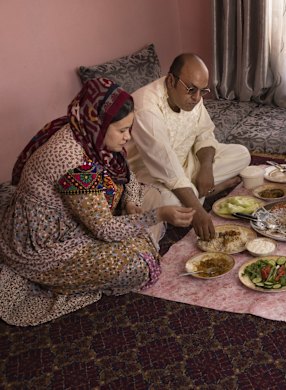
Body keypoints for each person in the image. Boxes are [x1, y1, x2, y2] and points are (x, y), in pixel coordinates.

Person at [0, 78, 195, 326]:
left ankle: (141, 236)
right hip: (46, 244)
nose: (128, 137)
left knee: (152, 195)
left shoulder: (90, 136)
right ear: (99, 124)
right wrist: (157, 216)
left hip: (85, 216)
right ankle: (53, 278)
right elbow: (103, 228)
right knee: (141, 264)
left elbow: (128, 176)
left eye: (130, 128)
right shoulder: (73, 160)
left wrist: (132, 202)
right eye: (123, 130)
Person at [127, 53, 251, 241]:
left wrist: (206, 169)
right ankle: (205, 192)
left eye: (203, 91)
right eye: (191, 89)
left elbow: (204, 133)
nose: (197, 97)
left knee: (241, 154)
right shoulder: (147, 108)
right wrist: (198, 212)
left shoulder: (194, 95)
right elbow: (167, 167)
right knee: (173, 201)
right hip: (152, 175)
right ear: (171, 81)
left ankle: (200, 189)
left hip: (187, 161)